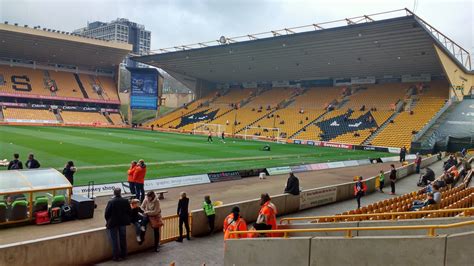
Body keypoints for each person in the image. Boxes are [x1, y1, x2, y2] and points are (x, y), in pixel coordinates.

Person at [104, 188, 131, 261]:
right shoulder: (125, 201)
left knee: (114, 240)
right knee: (123, 239)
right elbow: (129, 211)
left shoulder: (111, 202)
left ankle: (116, 257)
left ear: (114, 193)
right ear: (120, 193)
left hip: (113, 223)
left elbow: (107, 214)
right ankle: (124, 255)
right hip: (122, 222)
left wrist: (108, 221)